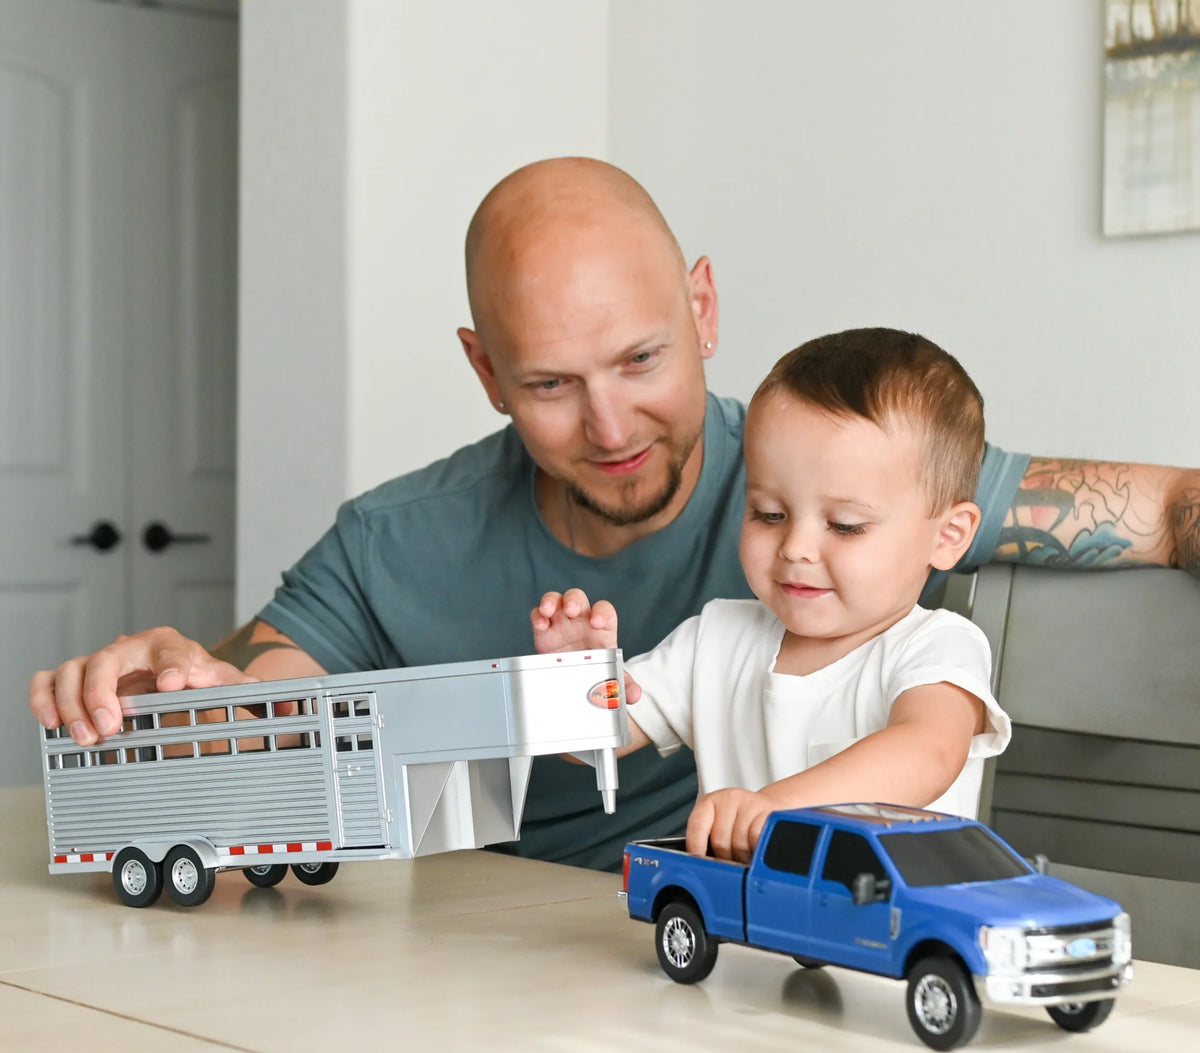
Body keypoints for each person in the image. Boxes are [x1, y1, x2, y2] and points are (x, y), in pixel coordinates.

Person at [29, 158, 1200, 871]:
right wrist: (183, 682)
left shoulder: (846, 475)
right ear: (485, 372)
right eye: (548, 384)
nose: (610, 426)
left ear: (702, 305)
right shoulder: (399, 540)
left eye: (642, 357)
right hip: (503, 963)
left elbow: (1167, 509)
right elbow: (267, 692)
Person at [531, 327, 1011, 864]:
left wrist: (776, 807)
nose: (796, 547)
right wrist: (575, 682)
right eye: (769, 514)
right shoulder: (715, 638)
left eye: (846, 524)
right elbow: (594, 744)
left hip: (893, 927)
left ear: (947, 537)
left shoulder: (937, 646)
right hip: (746, 925)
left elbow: (928, 752)